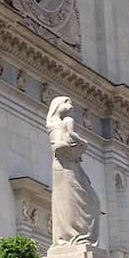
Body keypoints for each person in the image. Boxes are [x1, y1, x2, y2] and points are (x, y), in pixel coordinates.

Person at [47, 96, 100, 246]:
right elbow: (57, 147)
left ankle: (81, 237)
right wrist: (79, 144)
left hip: (73, 165)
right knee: (68, 201)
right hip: (64, 167)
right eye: (67, 102)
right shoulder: (56, 124)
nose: (71, 105)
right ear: (58, 105)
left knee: (94, 202)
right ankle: (69, 237)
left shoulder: (65, 122)